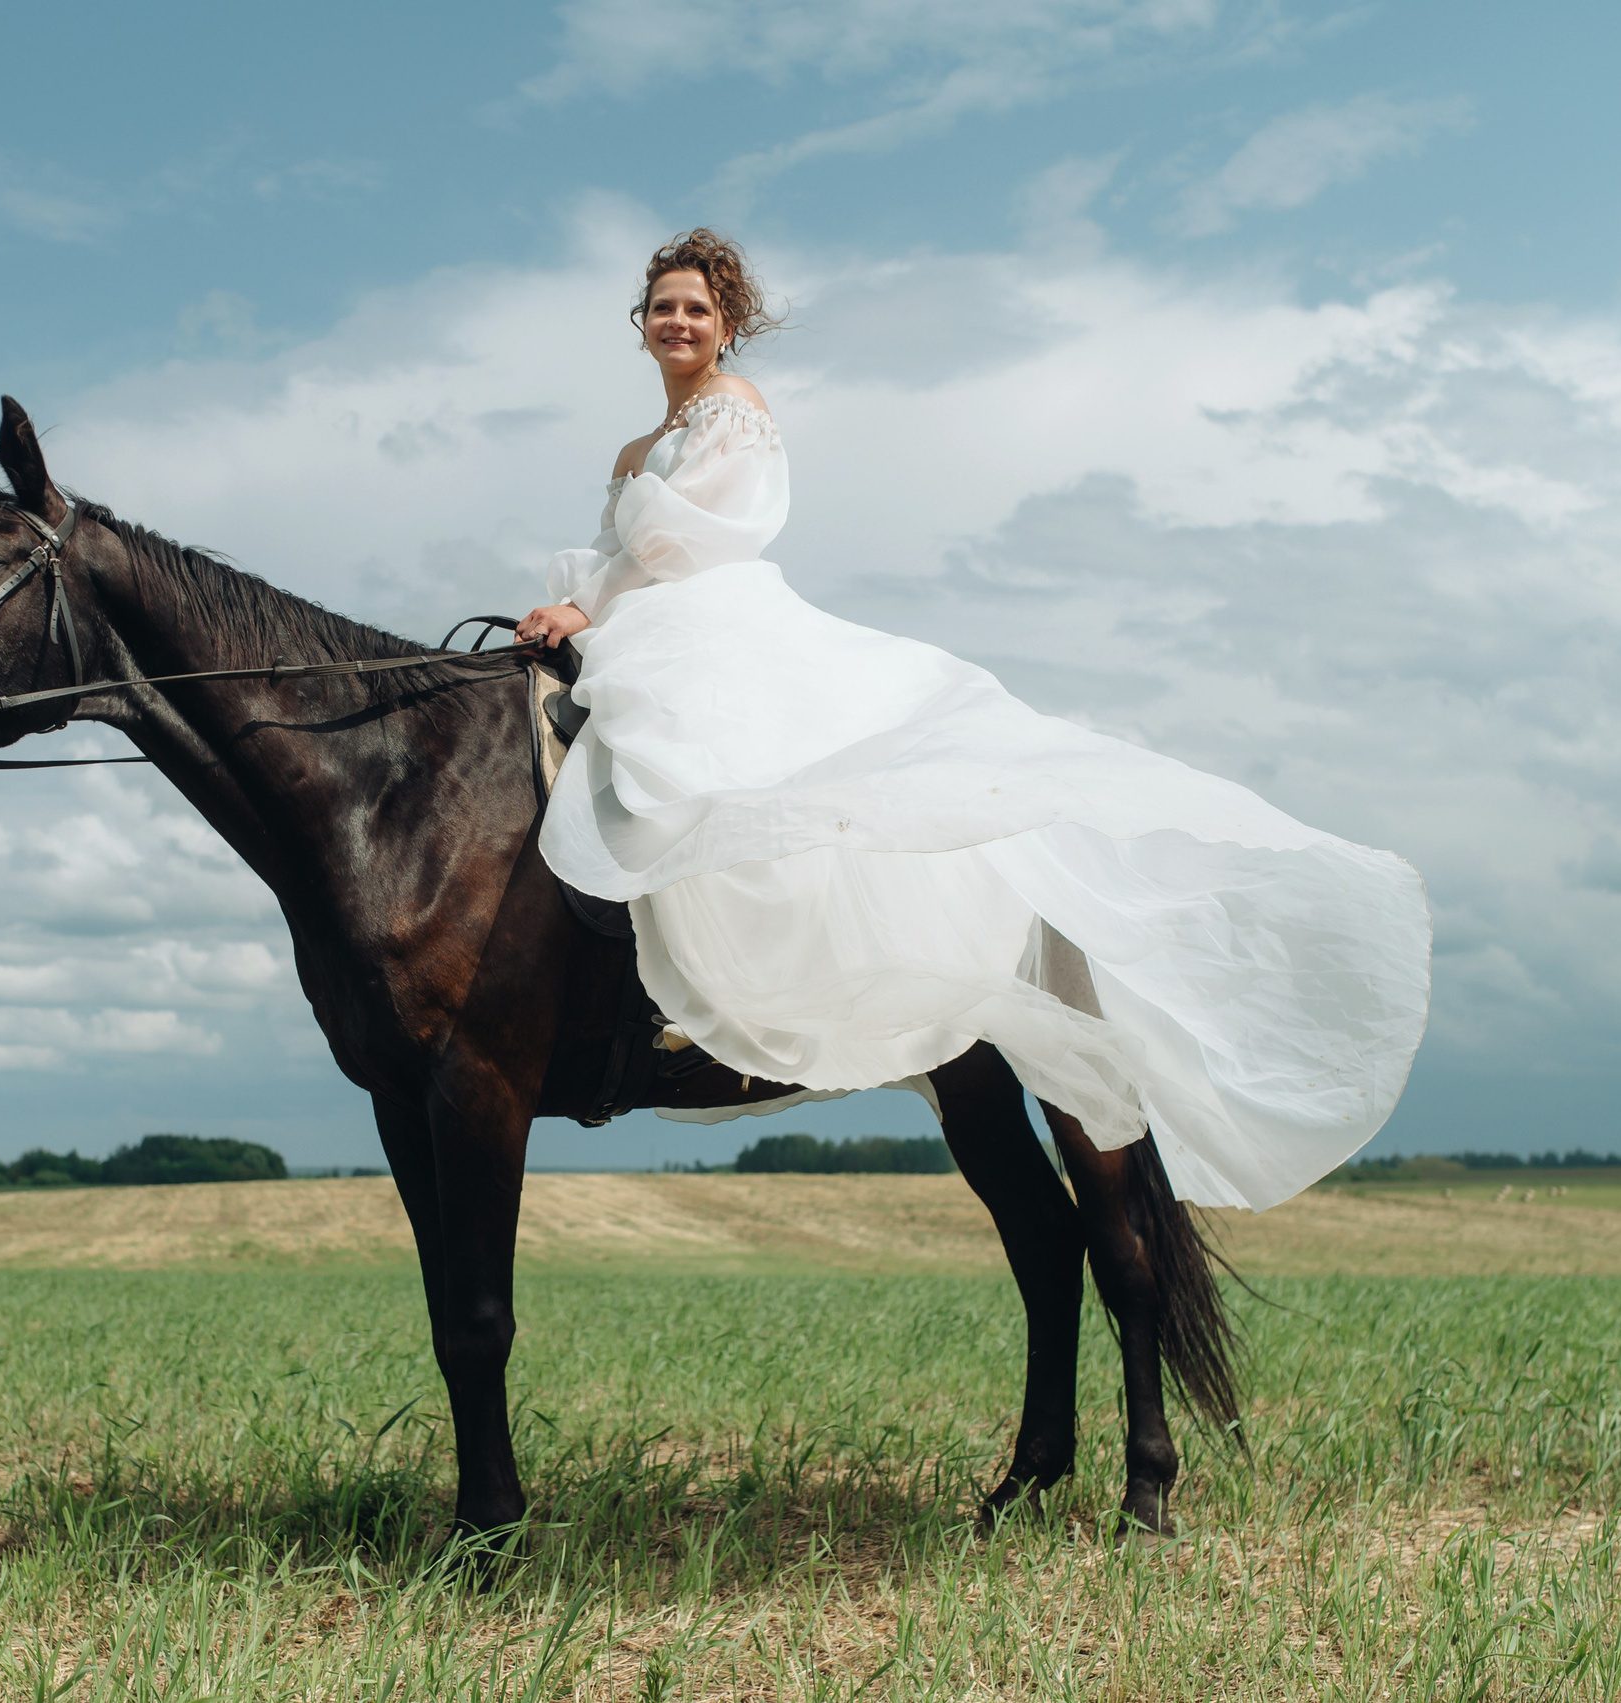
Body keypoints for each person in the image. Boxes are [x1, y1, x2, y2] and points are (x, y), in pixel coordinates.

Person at [514, 230, 1431, 1213]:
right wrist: (575, 611)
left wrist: (589, 603)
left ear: (725, 326)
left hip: (701, 609)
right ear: (641, 324)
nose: (679, 321)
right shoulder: (627, 450)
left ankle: (701, 996)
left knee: (705, 755)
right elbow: (624, 547)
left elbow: (690, 538)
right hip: (629, 613)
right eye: (664, 306)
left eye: (697, 307)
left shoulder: (736, 411)